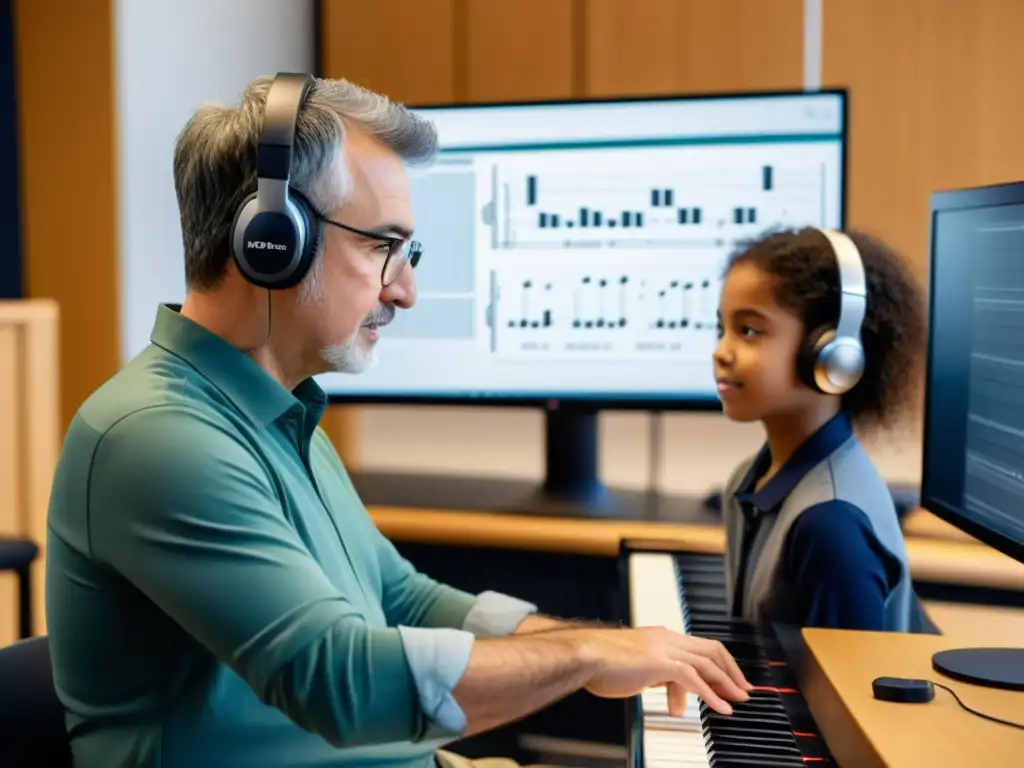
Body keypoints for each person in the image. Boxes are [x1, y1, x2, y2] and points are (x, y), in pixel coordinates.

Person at [44, 73, 750, 768]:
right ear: (271, 240)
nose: (406, 289)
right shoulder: (157, 437)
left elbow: (399, 596)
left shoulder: (279, 418)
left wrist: (597, 648)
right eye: (383, 246)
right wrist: (586, 653)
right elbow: (337, 681)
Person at [712, 226, 927, 632]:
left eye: (750, 331)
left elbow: (843, 691)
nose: (721, 351)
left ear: (834, 355)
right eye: (721, 328)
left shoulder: (830, 524)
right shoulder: (750, 476)